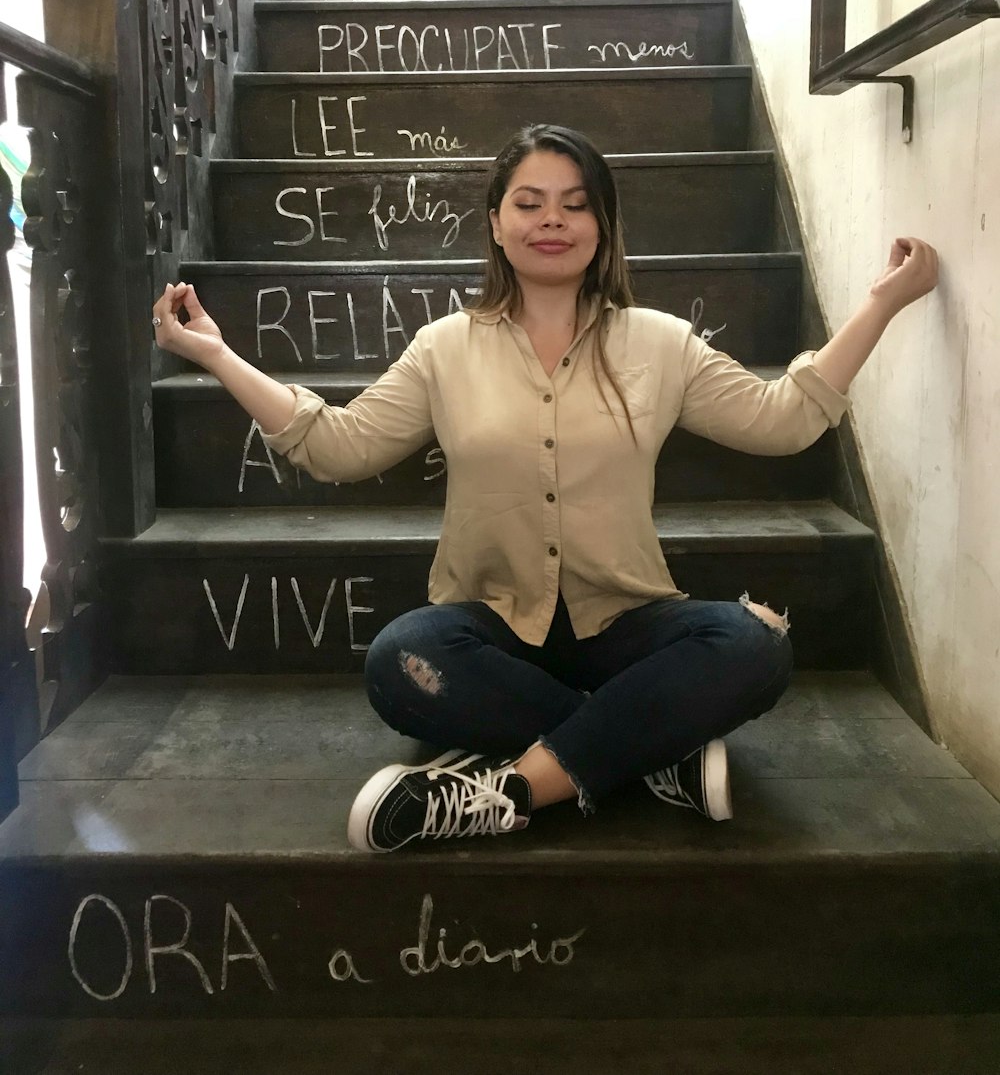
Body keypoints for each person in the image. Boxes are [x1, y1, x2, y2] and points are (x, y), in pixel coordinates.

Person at [152, 125, 938, 854]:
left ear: (603, 226)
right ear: (496, 221)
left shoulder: (660, 343)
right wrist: (219, 356)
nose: (551, 220)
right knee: (401, 660)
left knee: (754, 645)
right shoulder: (445, 348)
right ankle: (648, 751)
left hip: (627, 626)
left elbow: (786, 419)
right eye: (528, 203)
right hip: (493, 631)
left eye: (575, 204)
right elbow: (337, 446)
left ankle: (517, 788)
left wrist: (882, 302)